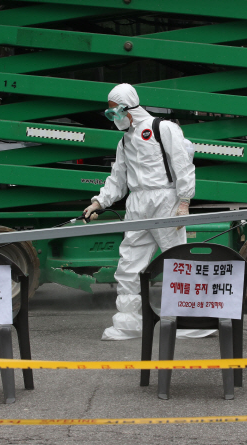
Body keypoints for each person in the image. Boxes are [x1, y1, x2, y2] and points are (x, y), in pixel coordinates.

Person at [84, 84, 214, 340]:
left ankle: (193, 321)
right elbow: (118, 179)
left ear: (126, 107)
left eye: (114, 112)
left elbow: (183, 164)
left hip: (165, 199)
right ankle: (129, 323)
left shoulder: (162, 128)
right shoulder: (125, 140)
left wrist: (184, 200)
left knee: (179, 262)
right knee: (129, 265)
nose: (113, 118)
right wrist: (99, 202)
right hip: (137, 204)